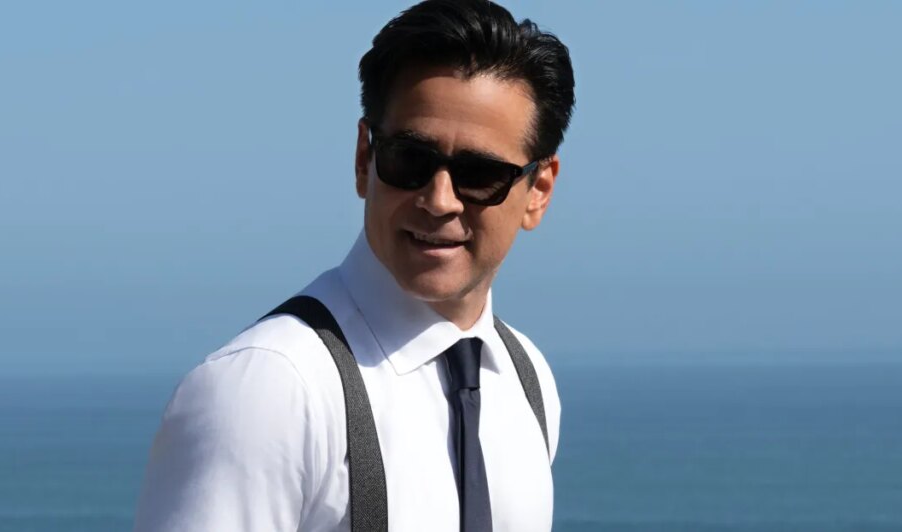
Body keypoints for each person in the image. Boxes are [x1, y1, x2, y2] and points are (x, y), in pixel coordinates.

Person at [133, 0, 575, 530]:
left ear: (538, 190)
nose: (439, 200)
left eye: (479, 174)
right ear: (365, 159)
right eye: (410, 159)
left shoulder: (526, 381)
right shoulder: (270, 391)